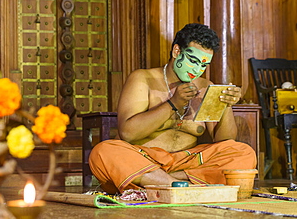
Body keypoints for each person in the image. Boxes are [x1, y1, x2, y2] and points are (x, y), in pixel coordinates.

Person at [89, 23, 256, 194]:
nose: (197, 70)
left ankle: (167, 182)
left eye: (203, 65)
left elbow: (224, 141)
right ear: (176, 52)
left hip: (185, 164)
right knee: (103, 152)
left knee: (244, 152)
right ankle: (180, 185)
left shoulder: (206, 87)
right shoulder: (143, 79)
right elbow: (128, 133)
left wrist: (226, 105)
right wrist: (172, 104)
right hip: (144, 159)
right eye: (193, 61)